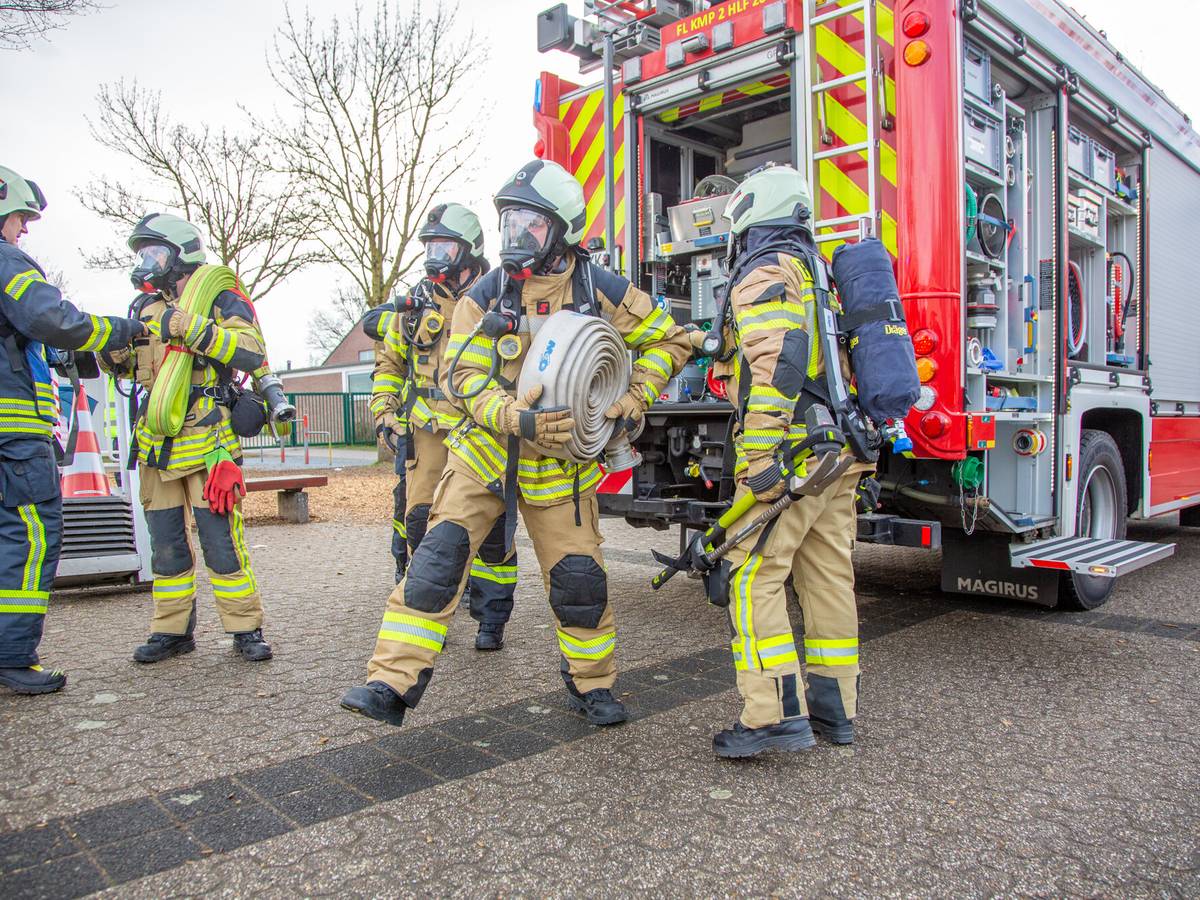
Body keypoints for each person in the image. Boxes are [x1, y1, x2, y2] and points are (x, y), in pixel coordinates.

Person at [341, 159, 692, 727]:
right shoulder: (487, 294)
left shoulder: (599, 289)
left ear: (563, 230)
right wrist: (511, 417)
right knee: (436, 562)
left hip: (561, 466)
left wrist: (634, 395)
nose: (515, 235)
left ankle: (592, 685)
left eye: (530, 223)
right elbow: (462, 377)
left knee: (580, 583)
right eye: (509, 222)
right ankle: (390, 683)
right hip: (484, 453)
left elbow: (669, 340)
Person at [706, 164, 871, 759]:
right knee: (828, 577)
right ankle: (836, 710)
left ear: (754, 213)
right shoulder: (815, 271)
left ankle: (773, 715)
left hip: (795, 453)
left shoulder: (767, 269)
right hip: (840, 452)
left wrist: (759, 455)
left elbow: (780, 360)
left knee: (752, 575)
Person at [98, 213, 273, 664]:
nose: (146, 261)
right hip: (157, 445)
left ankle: (245, 628)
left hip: (209, 443)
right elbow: (132, 369)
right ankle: (172, 631)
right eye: (142, 253)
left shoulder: (221, 298)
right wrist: (110, 353)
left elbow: (251, 351)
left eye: (154, 252)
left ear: (180, 254)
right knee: (166, 545)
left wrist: (192, 328)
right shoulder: (144, 308)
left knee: (221, 542)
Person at [0, 165, 145, 693]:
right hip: (13, 439)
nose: (23, 229)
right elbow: (53, 319)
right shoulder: (6, 260)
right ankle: (12, 656)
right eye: (19, 217)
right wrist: (120, 330)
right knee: (29, 537)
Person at [361, 203, 519, 651]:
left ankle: (491, 620)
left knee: (492, 532)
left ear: (469, 250)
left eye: (444, 246)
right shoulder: (415, 303)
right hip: (426, 432)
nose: (434, 256)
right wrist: (384, 410)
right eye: (429, 247)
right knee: (420, 525)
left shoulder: (499, 296)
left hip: (482, 430)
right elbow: (390, 364)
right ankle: (428, 619)